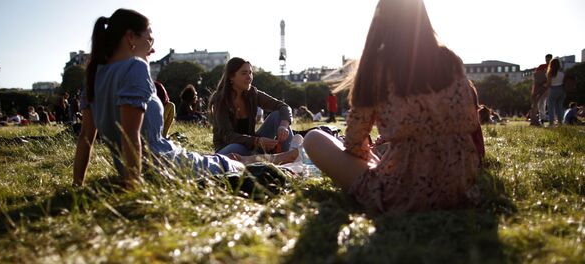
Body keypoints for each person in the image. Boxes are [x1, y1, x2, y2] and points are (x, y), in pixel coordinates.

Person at [73, 9, 296, 188]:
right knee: (231, 165)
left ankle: (283, 159)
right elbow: (131, 136)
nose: (152, 47)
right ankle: (288, 161)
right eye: (149, 39)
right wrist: (134, 189)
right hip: (165, 165)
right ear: (131, 37)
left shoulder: (94, 76)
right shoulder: (135, 67)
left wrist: (77, 184)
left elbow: (86, 138)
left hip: (145, 167)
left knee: (225, 160)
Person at [303, 0, 480, 213]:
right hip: (459, 185)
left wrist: (370, 155)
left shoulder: (376, 66)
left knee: (314, 138)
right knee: (384, 152)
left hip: (406, 193)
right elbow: (468, 122)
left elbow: (353, 142)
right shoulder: (451, 60)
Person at [208, 57, 294, 156]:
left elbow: (283, 106)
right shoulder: (221, 100)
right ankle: (269, 156)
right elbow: (228, 136)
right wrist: (256, 141)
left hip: (252, 146)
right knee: (236, 147)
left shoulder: (253, 93)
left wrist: (283, 125)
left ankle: (288, 156)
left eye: (250, 73)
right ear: (231, 77)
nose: (249, 77)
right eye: (244, 73)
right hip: (229, 148)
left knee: (277, 115)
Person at [529, 54, 552, 126]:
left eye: (549, 59)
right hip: (542, 87)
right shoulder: (542, 66)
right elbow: (536, 75)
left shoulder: (553, 67)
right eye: (546, 59)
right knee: (541, 103)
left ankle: (551, 118)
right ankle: (542, 118)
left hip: (550, 87)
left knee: (550, 103)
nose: (547, 61)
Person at [546, 58, 565, 126]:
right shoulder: (562, 72)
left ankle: (551, 123)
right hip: (562, 90)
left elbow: (549, 84)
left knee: (551, 107)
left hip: (553, 89)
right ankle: (560, 122)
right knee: (559, 107)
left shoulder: (550, 73)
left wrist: (545, 86)